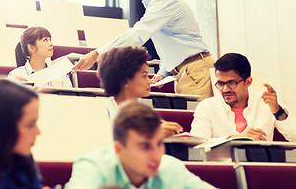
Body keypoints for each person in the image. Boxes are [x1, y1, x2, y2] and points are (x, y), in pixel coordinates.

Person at [73, 0, 214, 101]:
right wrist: (163, 72)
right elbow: (174, 43)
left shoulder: (164, 1)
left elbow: (137, 35)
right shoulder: (156, 2)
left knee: (196, 122)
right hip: (187, 72)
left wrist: (96, 54)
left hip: (196, 71)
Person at [65, 101, 215, 189]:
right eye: (145, 147)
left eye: (158, 144)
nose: (156, 155)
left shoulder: (170, 168)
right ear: (119, 149)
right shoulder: (94, 167)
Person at [190, 53, 296, 141]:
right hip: (220, 166)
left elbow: (294, 137)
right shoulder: (207, 106)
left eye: (231, 83)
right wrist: (236, 138)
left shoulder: (267, 102)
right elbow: (198, 144)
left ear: (248, 82)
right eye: (221, 83)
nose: (225, 89)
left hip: (257, 165)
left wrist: (277, 112)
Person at [97, 46, 182, 137]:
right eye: (144, 76)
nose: (149, 81)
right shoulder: (102, 111)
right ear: (126, 80)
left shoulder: (146, 111)